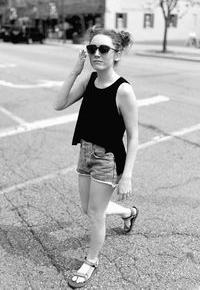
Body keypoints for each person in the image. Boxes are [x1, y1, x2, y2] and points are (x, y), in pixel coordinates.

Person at [53, 27, 139, 289]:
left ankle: (91, 261)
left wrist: (127, 177)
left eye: (103, 49)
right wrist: (74, 71)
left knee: (96, 214)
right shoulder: (88, 80)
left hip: (108, 159)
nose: (96, 54)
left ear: (117, 54)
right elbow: (59, 104)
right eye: (92, 49)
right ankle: (128, 212)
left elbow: (134, 136)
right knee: (88, 208)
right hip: (85, 152)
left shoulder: (123, 90)